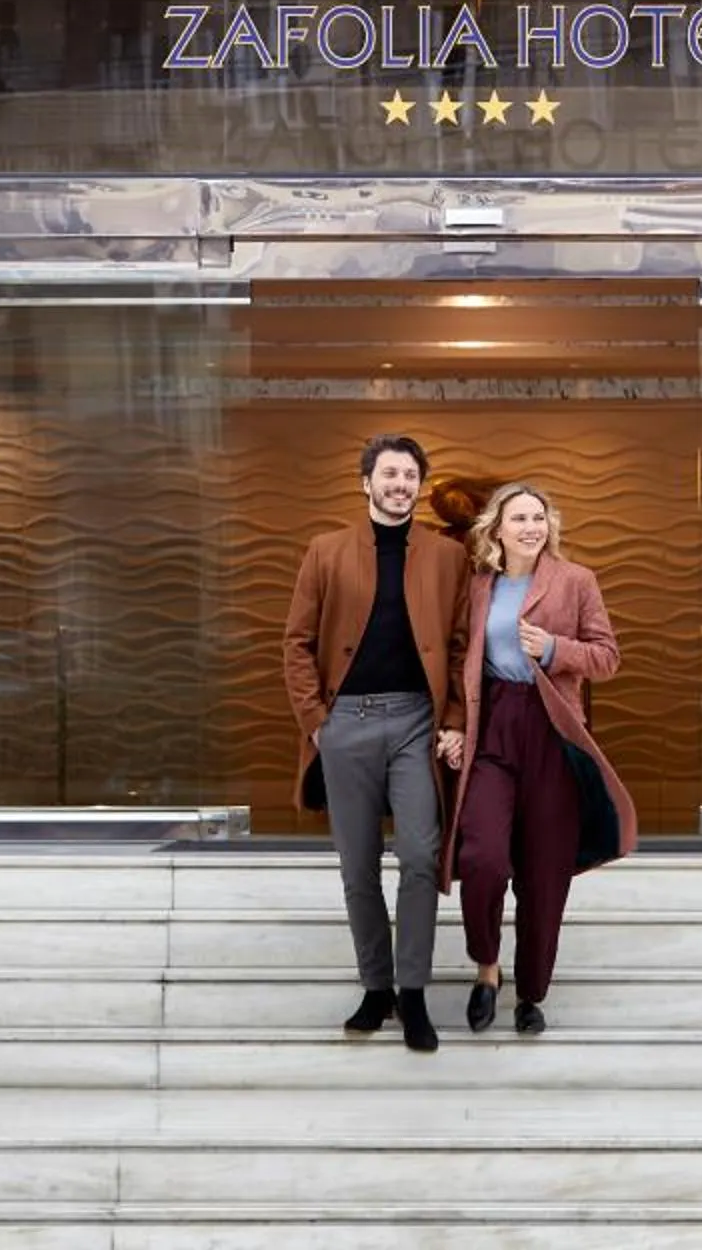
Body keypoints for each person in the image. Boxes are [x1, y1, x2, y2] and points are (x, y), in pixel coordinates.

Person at [280, 432, 470, 1053]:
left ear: (419, 485)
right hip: (346, 725)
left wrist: (454, 717)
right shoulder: (326, 550)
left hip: (417, 720)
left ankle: (413, 993)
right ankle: (376, 987)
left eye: (410, 476)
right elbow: (297, 643)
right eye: (389, 474)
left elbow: (463, 644)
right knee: (357, 865)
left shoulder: (446, 555)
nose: (400, 485)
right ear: (366, 482)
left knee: (419, 856)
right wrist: (317, 721)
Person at [441, 478, 637, 1035]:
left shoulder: (576, 581)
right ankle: (486, 970)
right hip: (493, 730)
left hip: (553, 731)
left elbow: (607, 658)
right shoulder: (478, 584)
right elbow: (461, 664)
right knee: (480, 858)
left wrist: (553, 649)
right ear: (496, 529)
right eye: (519, 518)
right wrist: (454, 725)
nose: (531, 527)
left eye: (539, 517)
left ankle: (531, 994)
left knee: (544, 876)